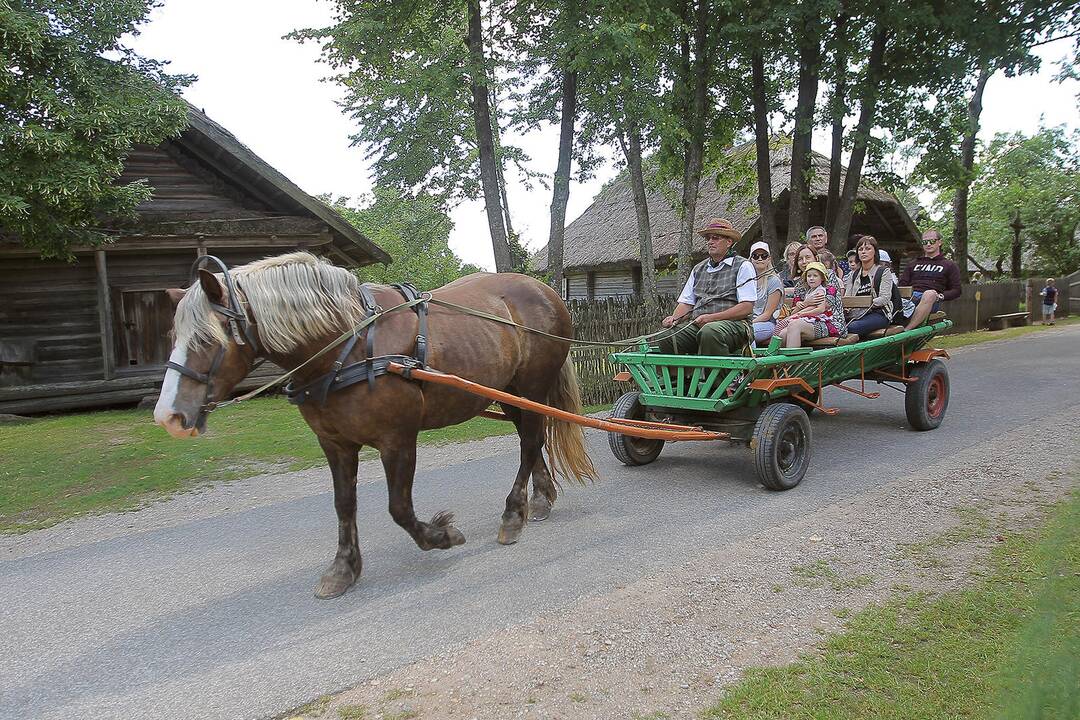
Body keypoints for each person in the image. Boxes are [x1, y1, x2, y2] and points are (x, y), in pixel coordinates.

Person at [658, 218, 756, 356]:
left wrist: (712, 318)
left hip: (736, 326)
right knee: (668, 336)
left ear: (729, 242)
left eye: (715, 238)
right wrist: (674, 319)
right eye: (708, 238)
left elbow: (746, 307)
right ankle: (680, 377)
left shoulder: (743, 266)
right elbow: (686, 303)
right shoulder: (698, 269)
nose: (710, 242)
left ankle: (720, 377)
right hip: (700, 326)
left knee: (710, 332)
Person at [774, 262, 847, 348]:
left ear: (822, 278)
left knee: (794, 325)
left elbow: (821, 309)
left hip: (826, 322)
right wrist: (804, 305)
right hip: (808, 320)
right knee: (783, 334)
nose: (811, 278)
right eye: (809, 276)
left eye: (815, 276)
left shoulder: (821, 290)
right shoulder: (807, 290)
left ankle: (792, 360)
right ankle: (780, 359)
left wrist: (803, 313)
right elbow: (795, 311)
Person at [900, 229, 962, 330]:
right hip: (910, 298)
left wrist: (940, 296)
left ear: (940, 242)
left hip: (931, 300)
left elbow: (957, 290)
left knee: (929, 294)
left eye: (932, 241)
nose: (928, 244)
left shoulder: (949, 265)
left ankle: (906, 330)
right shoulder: (912, 264)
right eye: (925, 242)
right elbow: (902, 285)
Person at [844, 235, 895, 339]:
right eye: (860, 249)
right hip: (856, 313)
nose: (863, 252)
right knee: (834, 325)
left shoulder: (883, 272)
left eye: (867, 249)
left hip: (878, 313)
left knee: (853, 327)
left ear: (874, 252)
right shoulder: (853, 275)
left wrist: (867, 302)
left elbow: (885, 298)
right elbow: (848, 298)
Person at [748, 241, 783, 344]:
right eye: (755, 256)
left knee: (746, 332)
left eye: (763, 256)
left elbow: (767, 314)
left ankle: (750, 359)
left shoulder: (774, 281)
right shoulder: (746, 280)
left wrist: (748, 323)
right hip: (748, 321)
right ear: (750, 259)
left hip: (767, 323)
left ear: (769, 259)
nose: (759, 259)